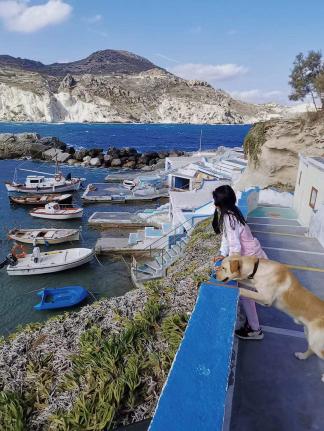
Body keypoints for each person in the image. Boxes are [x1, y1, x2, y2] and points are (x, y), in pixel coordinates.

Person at [212, 184, 267, 340]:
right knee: (247, 295)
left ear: (220, 204)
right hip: (254, 258)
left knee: (246, 296)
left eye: (215, 201)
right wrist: (223, 254)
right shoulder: (232, 213)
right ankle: (254, 327)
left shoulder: (230, 218)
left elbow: (235, 247)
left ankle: (255, 330)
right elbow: (227, 238)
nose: (214, 204)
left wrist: (231, 271)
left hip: (251, 261)